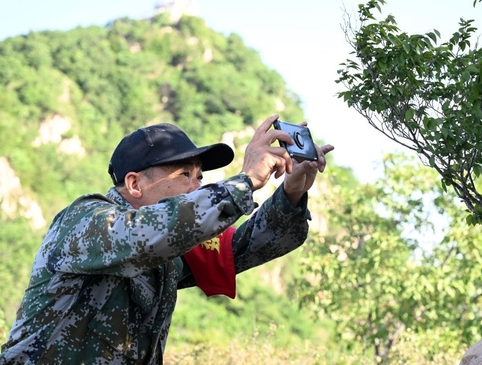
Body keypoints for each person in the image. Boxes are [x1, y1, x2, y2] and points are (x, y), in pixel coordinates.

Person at [0, 114, 334, 364]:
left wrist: (291, 193)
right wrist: (244, 181)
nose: (196, 187)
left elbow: (244, 247)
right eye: (184, 175)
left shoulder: (172, 246)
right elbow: (147, 234)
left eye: (199, 176)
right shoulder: (86, 220)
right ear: (134, 185)